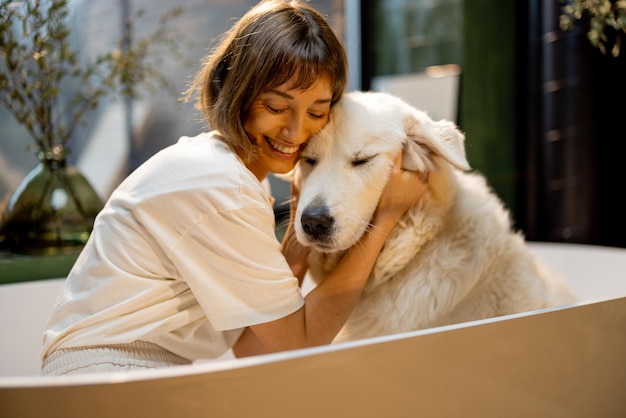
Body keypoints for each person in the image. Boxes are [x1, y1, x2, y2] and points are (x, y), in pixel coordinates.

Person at [40, 0, 428, 375]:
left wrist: (297, 223)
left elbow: (253, 347)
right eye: (277, 107)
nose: (297, 131)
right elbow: (300, 343)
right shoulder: (221, 186)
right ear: (237, 91)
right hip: (108, 373)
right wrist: (388, 215)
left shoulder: (224, 175)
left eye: (316, 112)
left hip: (115, 371)